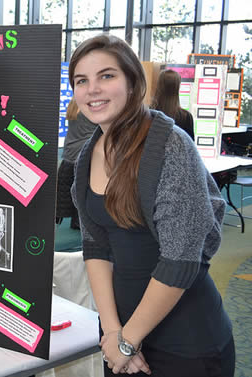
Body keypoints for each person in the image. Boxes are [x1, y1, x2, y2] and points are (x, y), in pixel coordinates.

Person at [69, 34, 235, 377]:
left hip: (185, 342)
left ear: (132, 82)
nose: (93, 89)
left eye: (106, 76)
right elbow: (95, 247)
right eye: (82, 81)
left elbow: (180, 260)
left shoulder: (170, 146)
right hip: (121, 336)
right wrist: (113, 332)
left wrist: (128, 340)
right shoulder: (89, 154)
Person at [56, 98, 97, 229]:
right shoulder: (89, 108)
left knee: (74, 189)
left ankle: (75, 222)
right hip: (84, 154)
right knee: (82, 192)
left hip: (69, 153)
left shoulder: (73, 105)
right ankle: (78, 223)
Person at [151, 69, 194, 140]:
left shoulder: (150, 113)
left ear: (159, 86)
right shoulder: (186, 117)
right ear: (177, 88)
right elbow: (190, 147)